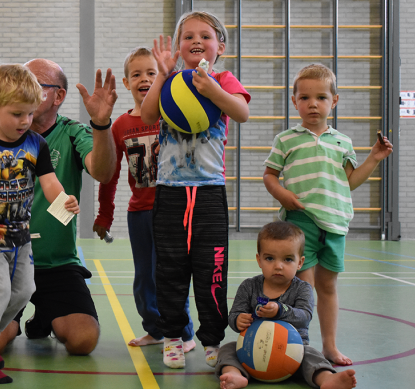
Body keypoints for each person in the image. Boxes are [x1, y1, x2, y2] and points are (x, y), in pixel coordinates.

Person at [0, 58, 118, 356]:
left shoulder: (72, 133)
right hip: (6, 260)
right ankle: (17, 316)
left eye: (36, 83)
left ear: (58, 96)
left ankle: (44, 316)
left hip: (57, 265)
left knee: (83, 340)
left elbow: (103, 171)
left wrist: (101, 124)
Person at [0, 63, 80, 384]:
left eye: (29, 114)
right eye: (17, 114)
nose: (25, 121)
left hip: (20, 234)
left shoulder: (36, 144)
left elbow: (49, 182)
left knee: (23, 291)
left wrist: (64, 199)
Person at [140, 10, 251, 369]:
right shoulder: (170, 81)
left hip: (208, 192)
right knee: (169, 270)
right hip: (170, 191)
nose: (196, 41)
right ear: (177, 46)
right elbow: (146, 115)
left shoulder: (223, 78)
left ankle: (212, 340)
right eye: (187, 36)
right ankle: (173, 336)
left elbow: (241, 112)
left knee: (211, 270)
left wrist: (213, 90)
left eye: (205, 35)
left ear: (220, 46)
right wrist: (160, 74)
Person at [263, 63, 393, 366]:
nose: (312, 104)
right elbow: (269, 176)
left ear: (334, 101)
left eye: (321, 97)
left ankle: (330, 346)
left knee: (328, 286)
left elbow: (349, 183)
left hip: (335, 223)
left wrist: (374, 158)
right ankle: (302, 347)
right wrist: (283, 195)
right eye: (305, 98)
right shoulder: (286, 139)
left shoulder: (342, 141)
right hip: (301, 222)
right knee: (304, 288)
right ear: (295, 101)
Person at [92, 46, 196, 351]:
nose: (144, 79)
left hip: (174, 208)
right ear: (126, 83)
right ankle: (155, 329)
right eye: (136, 74)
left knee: (172, 274)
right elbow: (109, 174)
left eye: (151, 72)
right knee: (144, 279)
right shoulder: (120, 126)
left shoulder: (171, 117)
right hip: (139, 212)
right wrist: (104, 215)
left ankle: (185, 333)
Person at [215, 221, 357, 389]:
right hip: (253, 349)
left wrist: (279, 311)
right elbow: (234, 314)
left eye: (288, 259)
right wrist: (238, 320)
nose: (278, 266)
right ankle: (235, 374)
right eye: (269, 258)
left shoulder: (302, 288)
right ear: (259, 260)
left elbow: (305, 316)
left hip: (293, 351)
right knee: (227, 349)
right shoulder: (249, 286)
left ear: (300, 262)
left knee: (312, 354)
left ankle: (325, 378)